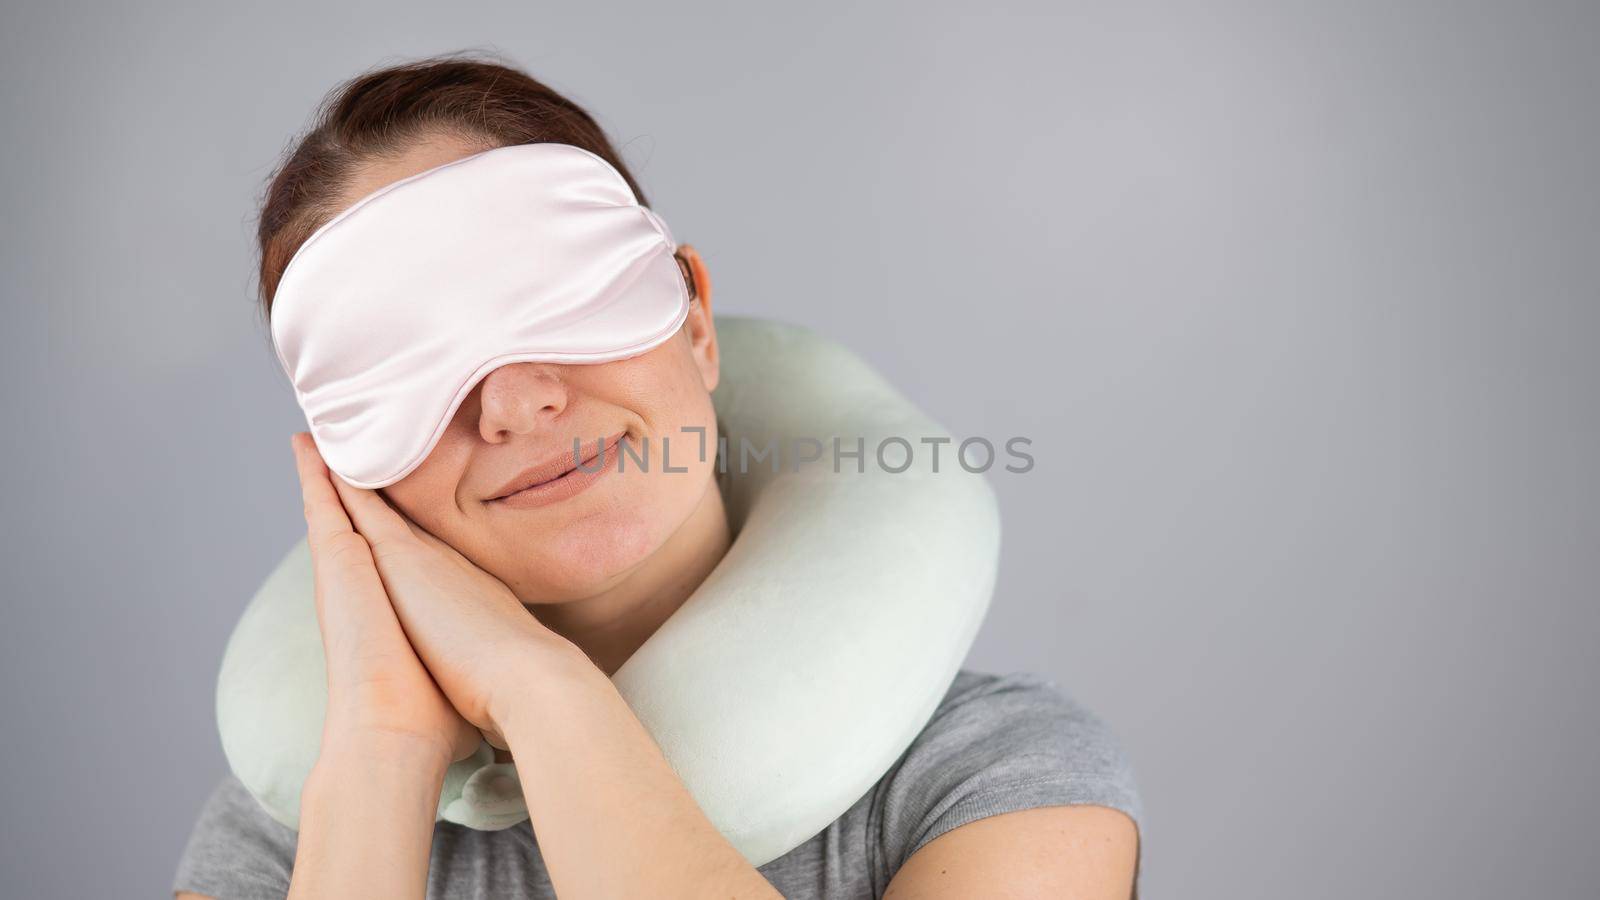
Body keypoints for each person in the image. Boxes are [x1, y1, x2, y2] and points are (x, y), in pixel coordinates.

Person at [173, 52, 1142, 899]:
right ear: (344, 475)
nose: (512, 400)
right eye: (399, 365)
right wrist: (381, 756)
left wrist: (538, 689)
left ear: (694, 320)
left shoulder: (998, 776)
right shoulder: (291, 838)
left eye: (554, 295)